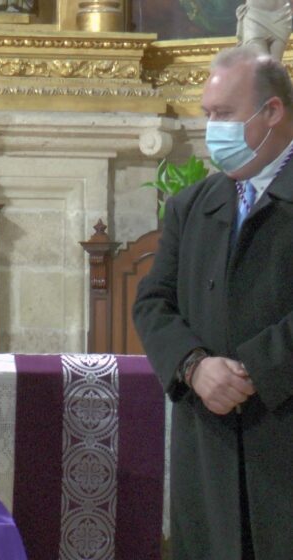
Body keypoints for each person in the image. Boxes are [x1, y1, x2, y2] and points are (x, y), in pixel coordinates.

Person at [133, 46, 293, 560]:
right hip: (209, 446)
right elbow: (152, 302)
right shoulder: (193, 205)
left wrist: (253, 370)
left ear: (272, 112)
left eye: (224, 114)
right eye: (208, 115)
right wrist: (194, 366)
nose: (212, 130)